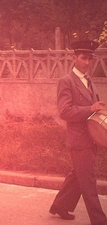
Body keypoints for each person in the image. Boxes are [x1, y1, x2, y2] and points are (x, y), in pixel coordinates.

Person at [49, 40, 106, 225]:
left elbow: (92, 108)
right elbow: (65, 112)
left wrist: (99, 110)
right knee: (88, 181)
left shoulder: (89, 80)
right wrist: (91, 108)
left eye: (90, 58)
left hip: (91, 138)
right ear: (74, 58)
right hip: (79, 141)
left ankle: (59, 205)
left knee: (78, 175)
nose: (87, 62)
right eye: (83, 58)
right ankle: (99, 220)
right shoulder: (66, 81)